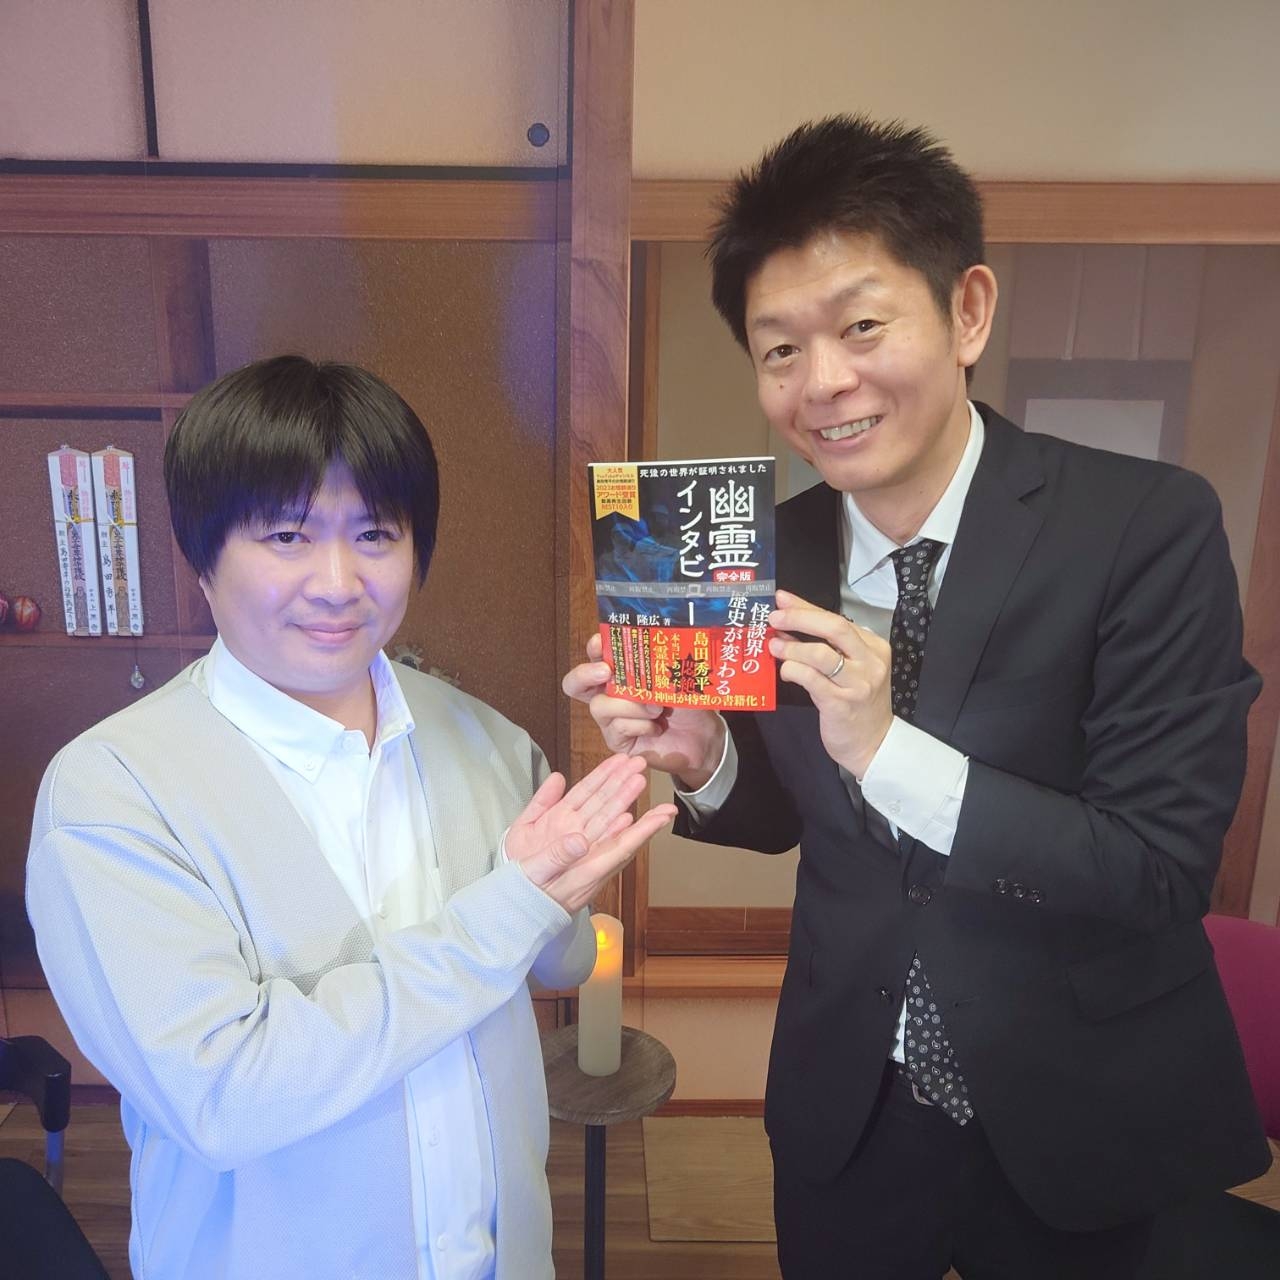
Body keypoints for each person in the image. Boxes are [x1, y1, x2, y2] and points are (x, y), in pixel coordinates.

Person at [563, 115, 1270, 1278]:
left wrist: (886, 747)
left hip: (1078, 1108)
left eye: (860, 326)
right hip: (847, 1100)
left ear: (966, 311)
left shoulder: (1144, 526)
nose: (821, 382)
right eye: (777, 348)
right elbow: (792, 819)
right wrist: (706, 759)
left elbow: (1157, 866)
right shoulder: (762, 552)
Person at [27, 355, 676, 1280]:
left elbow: (558, 961)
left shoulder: (482, 737)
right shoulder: (112, 793)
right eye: (287, 535)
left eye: (374, 533)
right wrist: (506, 908)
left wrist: (581, 853)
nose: (337, 582)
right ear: (203, 558)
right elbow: (223, 1094)